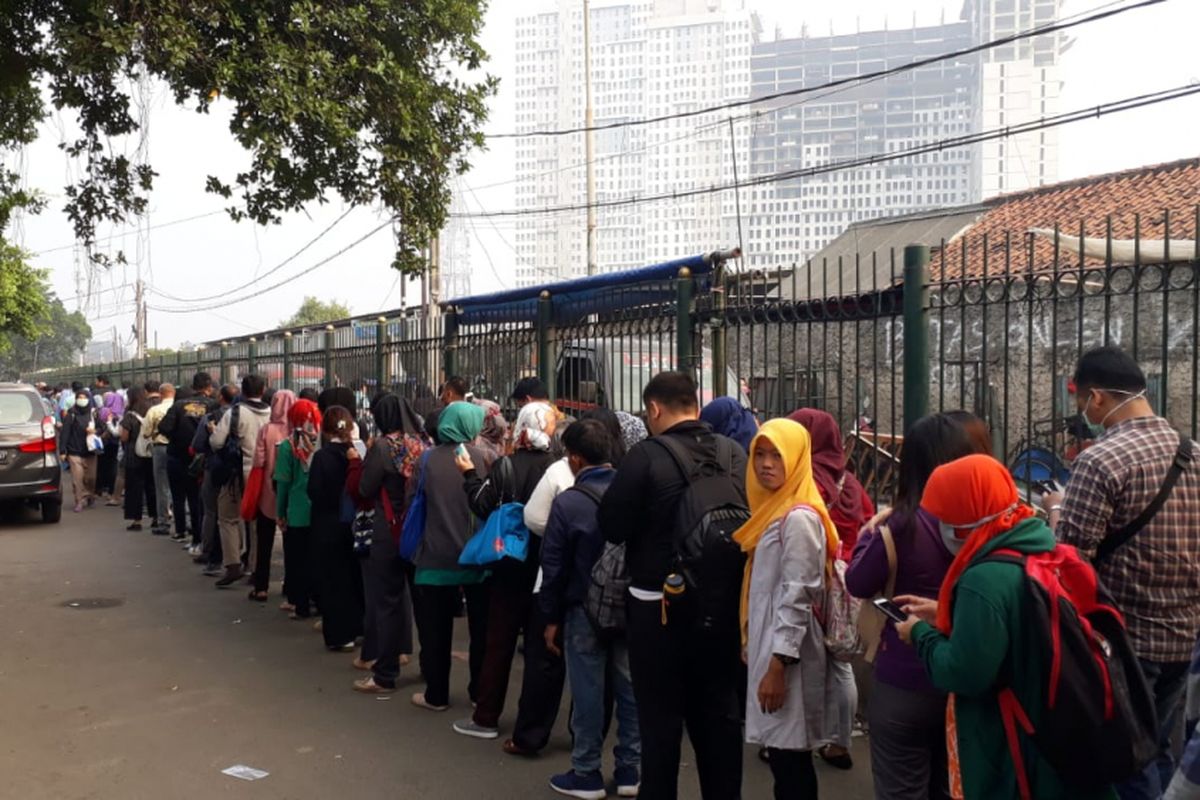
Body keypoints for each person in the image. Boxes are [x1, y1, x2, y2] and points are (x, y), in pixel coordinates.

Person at [896, 454, 1114, 800]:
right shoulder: (1038, 546)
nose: (939, 526)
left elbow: (963, 672)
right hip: (1056, 734)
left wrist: (920, 635)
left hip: (1012, 745)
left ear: (967, 516)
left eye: (945, 516)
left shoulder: (983, 579)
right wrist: (947, 615)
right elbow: (1012, 625)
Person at [1043, 346, 1200, 800]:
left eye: (1080, 404)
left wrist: (1055, 511)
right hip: (1185, 636)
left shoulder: (1100, 460)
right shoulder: (1193, 452)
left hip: (1127, 642)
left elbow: (1071, 560)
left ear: (1095, 399)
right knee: (1160, 747)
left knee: (1126, 762)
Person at [600, 371, 747, 800]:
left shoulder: (646, 456)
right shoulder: (733, 452)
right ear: (695, 404)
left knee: (660, 724)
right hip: (723, 607)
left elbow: (612, 524)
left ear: (654, 409)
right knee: (720, 719)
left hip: (656, 607)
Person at [845, 413, 982, 800]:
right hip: (969, 678)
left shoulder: (901, 525)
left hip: (904, 680)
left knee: (901, 787)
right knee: (950, 785)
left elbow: (858, 582)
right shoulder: (995, 525)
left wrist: (868, 533)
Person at [734, 418, 842, 799]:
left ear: (796, 459)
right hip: (773, 647)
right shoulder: (771, 511)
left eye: (777, 456)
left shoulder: (797, 519)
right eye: (759, 454)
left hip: (787, 656)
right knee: (784, 757)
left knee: (790, 760)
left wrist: (778, 665)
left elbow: (797, 597)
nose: (766, 464)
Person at [541, 418, 641, 799]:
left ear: (576, 459)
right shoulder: (633, 493)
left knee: (587, 691)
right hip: (629, 604)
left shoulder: (568, 503)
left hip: (583, 607)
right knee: (630, 690)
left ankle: (586, 772)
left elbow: (553, 566)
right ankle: (630, 770)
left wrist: (549, 617)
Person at [450, 400, 559, 739]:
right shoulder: (559, 467)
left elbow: (482, 504)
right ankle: (531, 727)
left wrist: (469, 474)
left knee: (499, 643)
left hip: (509, 565)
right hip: (546, 569)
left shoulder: (505, 466)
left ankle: (486, 716)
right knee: (541, 652)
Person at [787, 407, 874, 770]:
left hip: (813, 576)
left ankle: (797, 741)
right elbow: (869, 522)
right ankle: (839, 743)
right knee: (841, 664)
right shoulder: (848, 482)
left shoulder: (804, 479)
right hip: (848, 581)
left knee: (803, 663)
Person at [410, 401, 490, 712]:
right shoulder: (484, 458)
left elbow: (412, 500)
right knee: (480, 630)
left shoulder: (426, 460)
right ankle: (478, 692)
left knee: (434, 629)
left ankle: (437, 694)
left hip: (434, 557)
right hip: (476, 557)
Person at [347, 394, 428, 694]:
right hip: (418, 530)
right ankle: (430, 669)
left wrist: (359, 461)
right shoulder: (422, 443)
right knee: (421, 602)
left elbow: (366, 487)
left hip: (389, 531)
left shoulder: (383, 447)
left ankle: (386, 673)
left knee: (387, 602)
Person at [305, 404, 364, 650]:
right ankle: (359, 626)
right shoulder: (358, 453)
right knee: (355, 577)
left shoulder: (322, 457)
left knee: (332, 581)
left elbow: (314, 491)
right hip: (353, 524)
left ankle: (339, 634)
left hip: (327, 525)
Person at [210, 374, 271, 587]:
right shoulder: (272, 413)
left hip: (238, 472)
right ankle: (256, 568)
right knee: (256, 522)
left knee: (228, 517)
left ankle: (233, 564)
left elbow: (216, 442)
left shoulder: (234, 413)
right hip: (264, 474)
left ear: (243, 392)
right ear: (263, 390)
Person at [245, 389, 295, 601]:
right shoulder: (299, 430)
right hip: (291, 494)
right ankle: (290, 587)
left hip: (268, 492)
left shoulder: (267, 430)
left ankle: (261, 586)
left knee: (264, 541)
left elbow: (258, 461)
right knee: (291, 545)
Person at [274, 398, 320, 618]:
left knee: (297, 561)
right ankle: (319, 603)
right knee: (318, 561)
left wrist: (280, 513)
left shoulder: (287, 446)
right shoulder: (322, 443)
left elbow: (282, 483)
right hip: (320, 512)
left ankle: (300, 606)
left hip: (297, 512)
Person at [160, 373, 217, 547]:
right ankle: (198, 536)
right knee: (197, 498)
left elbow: (164, 427)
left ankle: (180, 531)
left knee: (178, 496)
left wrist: (177, 437)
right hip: (200, 458)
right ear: (208, 387)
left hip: (177, 456)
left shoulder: (178, 405)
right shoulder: (212, 405)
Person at [194, 384, 237, 574]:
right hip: (238, 470)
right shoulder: (245, 415)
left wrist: (213, 434)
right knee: (237, 516)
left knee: (211, 511)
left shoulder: (211, 418)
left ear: (220, 397)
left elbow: (197, 445)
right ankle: (239, 557)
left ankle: (211, 553)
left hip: (215, 468)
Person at [120, 387, 158, 531]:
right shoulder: (152, 411)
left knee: (134, 489)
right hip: (150, 453)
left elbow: (124, 436)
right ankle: (156, 518)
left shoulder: (130, 414)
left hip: (133, 454)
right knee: (152, 486)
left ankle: (137, 521)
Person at [141, 382, 176, 535]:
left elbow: (146, 433)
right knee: (181, 486)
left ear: (161, 394)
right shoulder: (179, 408)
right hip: (178, 448)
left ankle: (163, 521)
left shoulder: (154, 410)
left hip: (160, 448)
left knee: (161, 486)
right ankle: (185, 522)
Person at [59, 389, 99, 512]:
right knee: (77, 478)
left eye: (84, 397)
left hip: (90, 451)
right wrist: (62, 451)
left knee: (91, 478)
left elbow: (102, 428)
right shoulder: (71, 414)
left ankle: (90, 495)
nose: (82, 400)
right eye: (79, 397)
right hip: (74, 450)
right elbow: (65, 433)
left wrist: (95, 431)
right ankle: (79, 500)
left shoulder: (93, 414)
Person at [96, 391, 125, 505]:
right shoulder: (121, 412)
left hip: (104, 442)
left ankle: (100, 489)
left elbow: (102, 425)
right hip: (116, 444)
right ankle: (111, 490)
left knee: (102, 465)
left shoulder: (104, 411)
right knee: (113, 466)